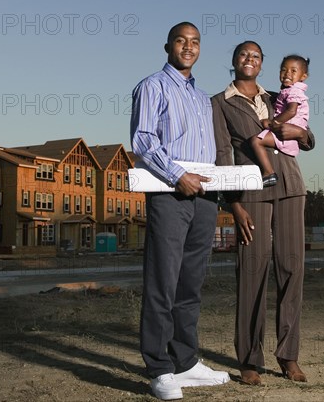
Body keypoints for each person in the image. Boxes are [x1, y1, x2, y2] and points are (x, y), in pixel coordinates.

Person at [131, 22, 230, 401]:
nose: (188, 47)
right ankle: (159, 367)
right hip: (171, 194)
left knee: (190, 283)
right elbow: (143, 140)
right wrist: (177, 175)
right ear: (168, 45)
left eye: (195, 42)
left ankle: (186, 361)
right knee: (163, 282)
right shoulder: (152, 86)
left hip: (204, 198)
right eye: (181, 41)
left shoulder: (203, 98)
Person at [211, 41, 314, 386]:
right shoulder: (220, 103)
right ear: (234, 60)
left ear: (262, 63)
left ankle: (288, 355)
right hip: (251, 190)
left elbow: (307, 137)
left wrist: (300, 132)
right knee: (252, 270)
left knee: (291, 269)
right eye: (243, 54)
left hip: (291, 187)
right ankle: (249, 359)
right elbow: (223, 154)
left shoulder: (278, 96)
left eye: (256, 56)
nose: (249, 59)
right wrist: (234, 204)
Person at [249, 55, 310, 187]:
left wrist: (273, 123)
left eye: (293, 71)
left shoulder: (294, 91)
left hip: (288, 132)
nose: (287, 73)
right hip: (287, 130)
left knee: (256, 141)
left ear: (303, 76)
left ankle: (268, 172)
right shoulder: (288, 91)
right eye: (283, 70)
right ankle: (269, 172)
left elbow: (291, 111)